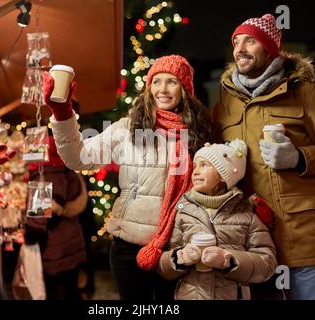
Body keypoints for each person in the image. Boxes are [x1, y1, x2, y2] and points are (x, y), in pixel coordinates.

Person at [212, 13, 315, 300]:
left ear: (269, 49)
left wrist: (299, 158)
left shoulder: (304, 92)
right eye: (236, 42)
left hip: (300, 235)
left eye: (250, 41)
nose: (239, 48)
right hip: (251, 240)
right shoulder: (224, 104)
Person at [43, 55, 213, 300]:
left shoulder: (199, 132)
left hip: (178, 248)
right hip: (128, 249)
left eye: (171, 82)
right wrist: (62, 113)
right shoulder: (128, 128)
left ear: (185, 89)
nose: (162, 89)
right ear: (148, 87)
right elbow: (78, 157)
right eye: (156, 81)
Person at [158, 139, 277, 299]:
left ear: (223, 175)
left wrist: (228, 261)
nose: (195, 172)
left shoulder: (247, 214)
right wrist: (179, 257)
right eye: (195, 166)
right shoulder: (183, 210)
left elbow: (267, 263)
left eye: (204, 165)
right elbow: (162, 263)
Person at [24, 135, 88, 300]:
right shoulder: (67, 170)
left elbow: (39, 218)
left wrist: (30, 234)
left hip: (54, 246)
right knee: (70, 288)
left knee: (56, 291)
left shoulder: (46, 174)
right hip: (70, 240)